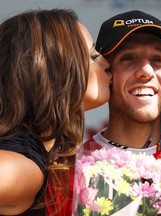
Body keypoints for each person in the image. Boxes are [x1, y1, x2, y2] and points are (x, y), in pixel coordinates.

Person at [83, 10, 161, 214]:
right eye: (128, 58)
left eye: (158, 59)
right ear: (107, 72)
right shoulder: (68, 170)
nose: (146, 71)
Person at [0, 9, 111, 215]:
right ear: (53, 69)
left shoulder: (41, 154)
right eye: (92, 55)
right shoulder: (21, 166)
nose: (106, 62)